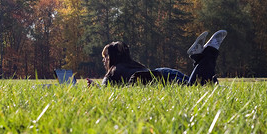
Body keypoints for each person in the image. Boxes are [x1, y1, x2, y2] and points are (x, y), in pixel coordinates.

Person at [86, 30, 227, 87]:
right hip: (164, 72)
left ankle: (208, 53)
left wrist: (95, 86)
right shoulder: (131, 65)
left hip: (160, 79)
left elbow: (106, 91)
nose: (104, 61)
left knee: (195, 87)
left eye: (105, 57)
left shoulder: (113, 72)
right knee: (204, 85)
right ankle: (199, 55)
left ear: (112, 58)